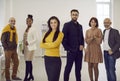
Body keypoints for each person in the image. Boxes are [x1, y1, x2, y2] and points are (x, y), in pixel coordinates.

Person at [62, 9, 84, 81]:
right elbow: (63, 38)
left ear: (78, 15)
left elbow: (82, 37)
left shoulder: (80, 26)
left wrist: (82, 45)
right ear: (71, 15)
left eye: (76, 14)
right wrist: (68, 49)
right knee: (68, 69)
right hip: (71, 52)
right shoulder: (67, 25)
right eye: (73, 14)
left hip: (79, 52)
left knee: (78, 70)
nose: (74, 16)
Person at [40, 16, 64, 81]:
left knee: (54, 79)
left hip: (55, 59)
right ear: (49, 24)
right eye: (51, 23)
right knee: (49, 78)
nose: (53, 24)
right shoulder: (46, 33)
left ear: (58, 23)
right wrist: (51, 45)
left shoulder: (60, 34)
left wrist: (46, 45)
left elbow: (55, 44)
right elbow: (41, 45)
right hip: (47, 58)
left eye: (55, 22)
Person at [84, 17, 103, 81]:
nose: (93, 23)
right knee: (89, 66)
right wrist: (91, 38)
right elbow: (86, 41)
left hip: (96, 49)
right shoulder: (87, 31)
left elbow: (100, 41)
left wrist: (95, 37)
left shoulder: (99, 30)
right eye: (92, 22)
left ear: (96, 23)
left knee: (95, 66)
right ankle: (91, 80)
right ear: (90, 23)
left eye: (95, 22)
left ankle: (96, 80)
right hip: (89, 49)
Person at [23, 14, 37, 81]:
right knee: (28, 62)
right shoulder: (26, 29)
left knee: (28, 63)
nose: (28, 22)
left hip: (31, 48)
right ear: (26, 21)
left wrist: (29, 43)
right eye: (27, 21)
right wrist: (23, 48)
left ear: (32, 22)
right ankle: (31, 76)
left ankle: (26, 77)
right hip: (26, 48)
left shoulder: (33, 29)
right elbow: (24, 39)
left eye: (30, 21)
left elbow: (36, 39)